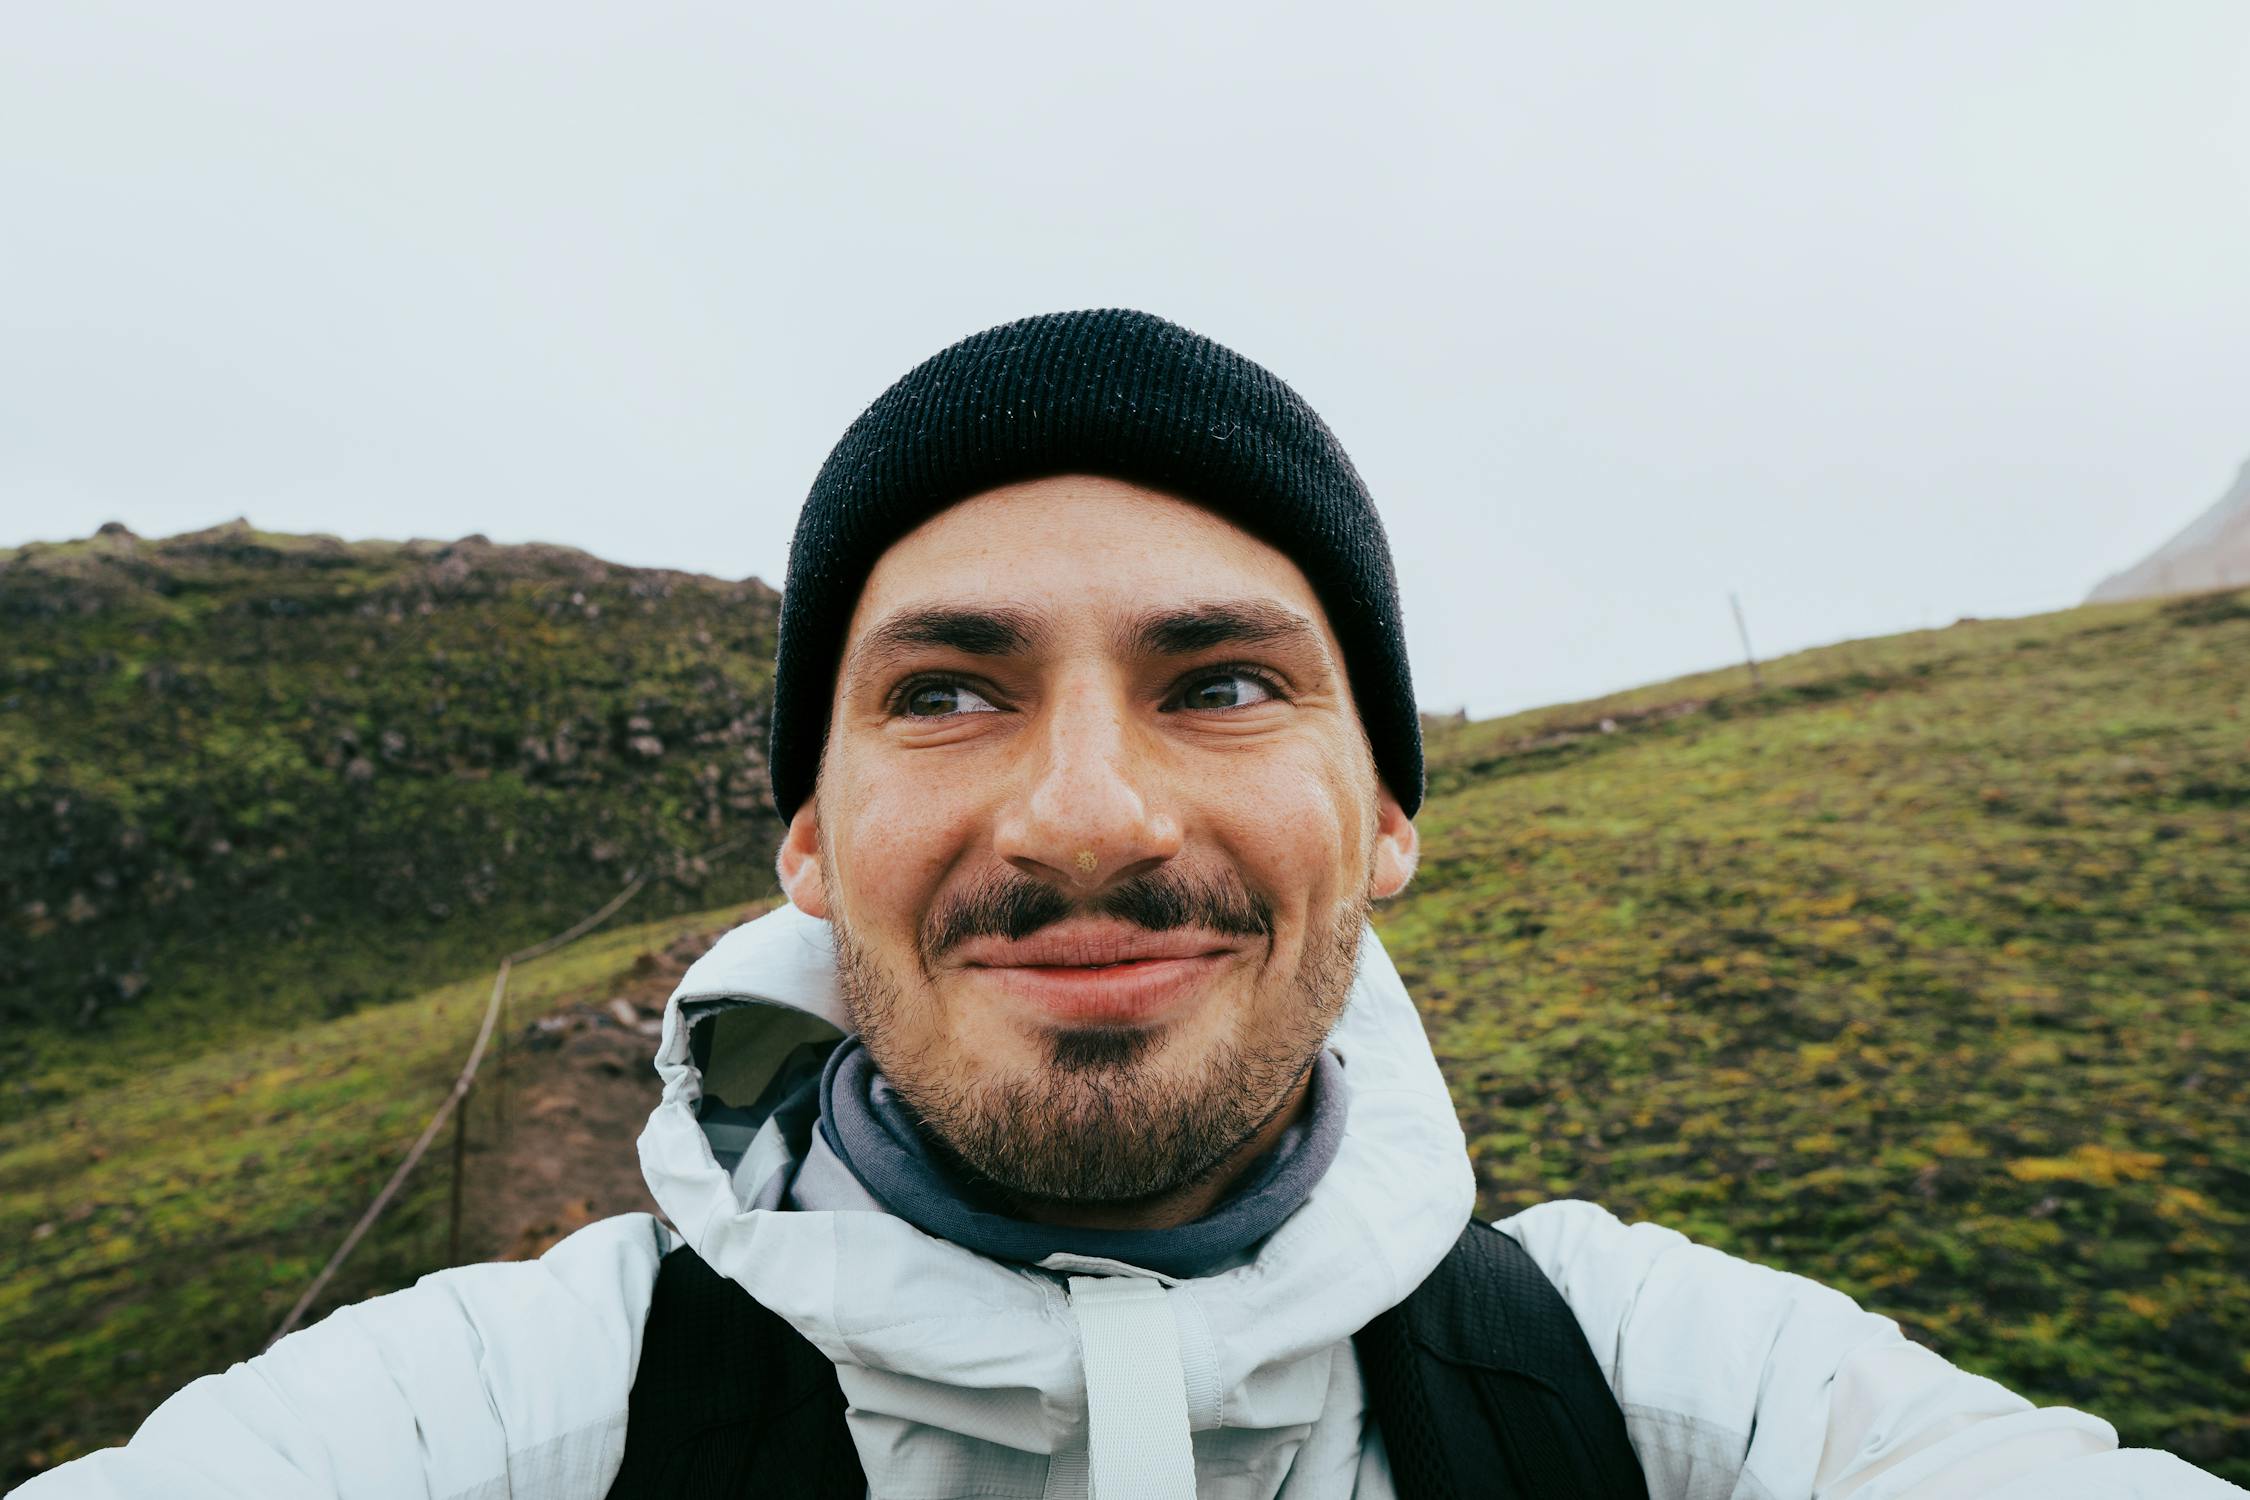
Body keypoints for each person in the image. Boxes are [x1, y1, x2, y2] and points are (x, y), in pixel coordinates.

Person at [26, 309, 2238, 1499]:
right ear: (809, 839)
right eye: (948, 691)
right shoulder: (492, 1422)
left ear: (1384, 809)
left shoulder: (1677, 1398)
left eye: (1225, 683)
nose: (1085, 816)